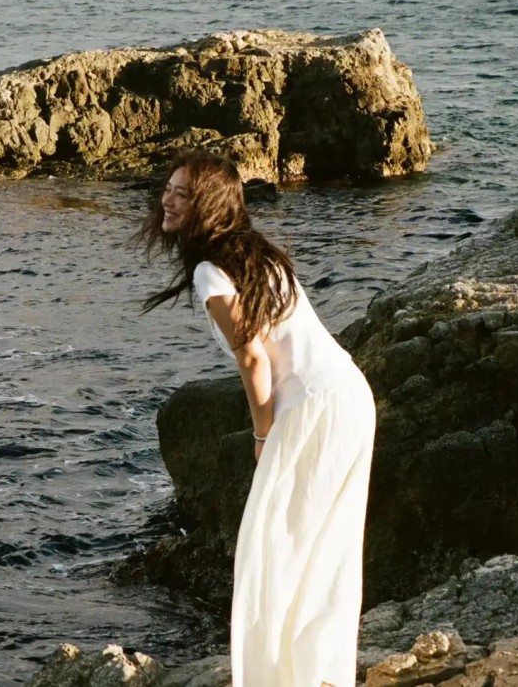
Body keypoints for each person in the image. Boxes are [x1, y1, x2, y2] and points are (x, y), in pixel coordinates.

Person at [137, 150, 376, 686]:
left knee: (272, 549)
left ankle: (279, 677)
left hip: (312, 408)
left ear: (207, 206)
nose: (167, 200)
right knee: (324, 548)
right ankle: (319, 673)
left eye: (181, 194)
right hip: (347, 394)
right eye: (168, 189)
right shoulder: (257, 255)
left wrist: (262, 434)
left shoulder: (210, 270)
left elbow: (252, 357)